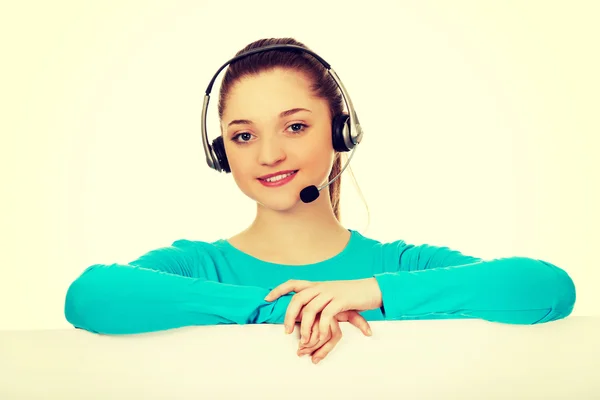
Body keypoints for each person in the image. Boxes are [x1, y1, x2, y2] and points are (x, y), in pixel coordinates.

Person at [64, 37, 576, 365]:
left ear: (340, 131)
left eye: (295, 126)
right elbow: (89, 297)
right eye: (243, 136)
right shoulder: (200, 266)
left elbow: (547, 289)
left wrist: (369, 291)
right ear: (222, 153)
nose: (269, 154)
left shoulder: (395, 267)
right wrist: (279, 310)